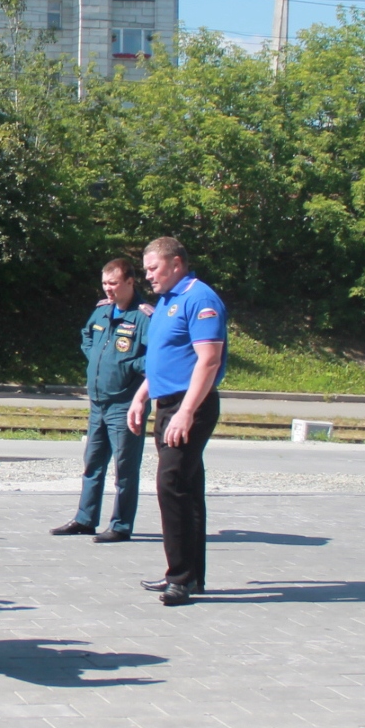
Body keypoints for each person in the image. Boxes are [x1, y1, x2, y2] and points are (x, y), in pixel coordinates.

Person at [127, 237, 227, 606]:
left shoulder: (200, 298)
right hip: (166, 403)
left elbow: (208, 360)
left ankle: (180, 579)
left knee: (171, 484)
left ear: (177, 264)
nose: (148, 275)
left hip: (191, 405)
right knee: (186, 488)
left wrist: (186, 411)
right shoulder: (169, 301)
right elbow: (165, 357)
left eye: (153, 268)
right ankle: (190, 576)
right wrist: (141, 396)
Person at [51, 258, 152, 542]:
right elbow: (87, 336)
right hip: (98, 402)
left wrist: (128, 366)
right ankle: (85, 519)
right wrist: (97, 357)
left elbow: (155, 357)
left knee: (125, 468)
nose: (108, 289)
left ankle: (120, 525)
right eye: (105, 283)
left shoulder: (143, 317)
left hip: (126, 403)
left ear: (130, 282)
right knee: (93, 463)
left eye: (114, 283)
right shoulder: (102, 312)